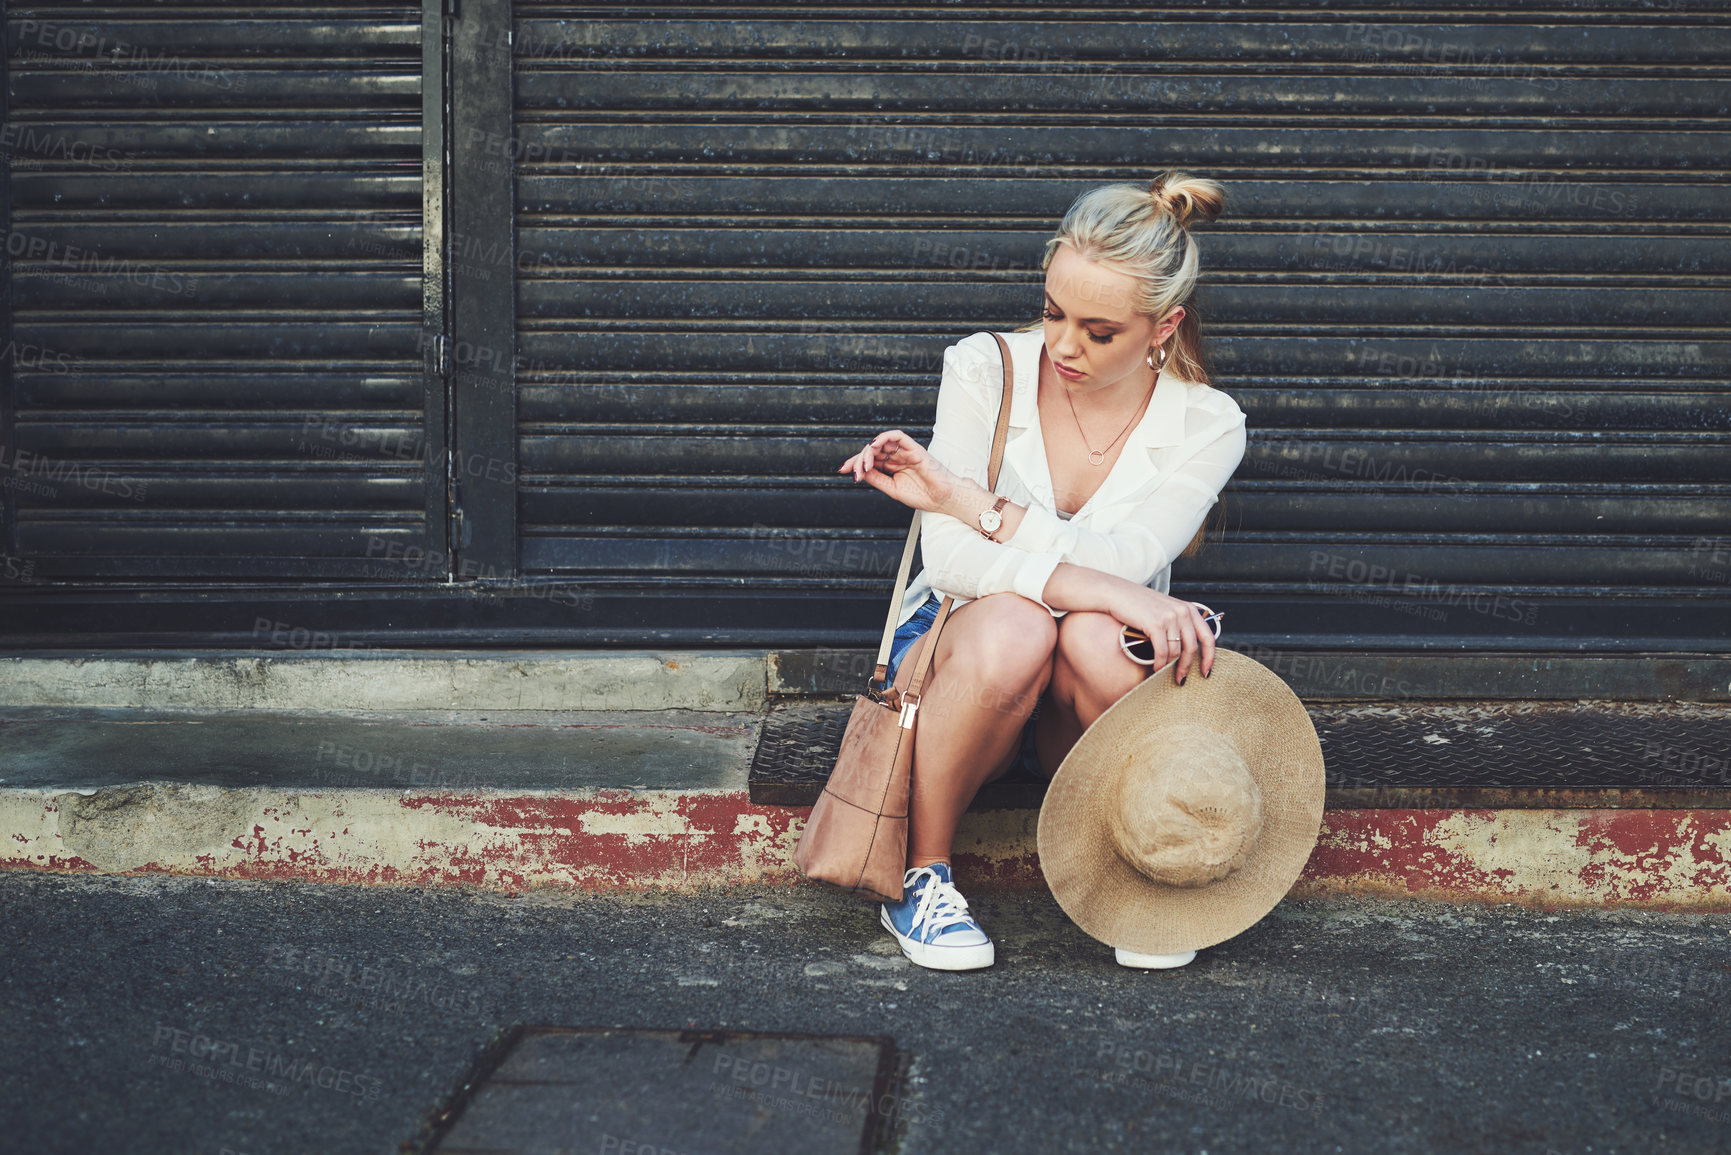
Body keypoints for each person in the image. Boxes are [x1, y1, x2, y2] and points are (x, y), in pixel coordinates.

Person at [836, 172, 1248, 972]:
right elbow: (951, 560)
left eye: (1098, 331)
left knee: (1095, 637)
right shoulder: (983, 368)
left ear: (1163, 326)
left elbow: (1134, 559)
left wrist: (969, 501)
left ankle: (1135, 865)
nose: (1062, 346)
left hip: (1087, 689)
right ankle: (921, 875)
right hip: (970, 657)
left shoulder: (1208, 421)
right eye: (1055, 313)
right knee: (1019, 622)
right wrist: (1109, 588)